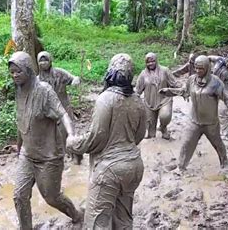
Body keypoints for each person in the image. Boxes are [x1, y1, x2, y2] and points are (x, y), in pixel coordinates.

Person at [67, 53, 146, 229]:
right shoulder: (138, 101)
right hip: (134, 166)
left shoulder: (106, 99)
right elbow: (139, 136)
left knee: (97, 222)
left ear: (109, 74)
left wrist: (72, 143)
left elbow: (96, 139)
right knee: (123, 218)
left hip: (110, 169)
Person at [8, 51, 82, 229]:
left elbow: (63, 114)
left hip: (49, 156)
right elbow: (22, 121)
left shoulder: (44, 90)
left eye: (18, 71)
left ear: (28, 70)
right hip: (28, 154)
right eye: (12, 72)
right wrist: (19, 148)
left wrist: (71, 136)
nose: (14, 75)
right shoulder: (19, 90)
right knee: (19, 195)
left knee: (51, 197)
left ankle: (76, 214)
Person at [159, 55, 228, 172]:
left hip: (211, 123)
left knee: (218, 143)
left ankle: (225, 163)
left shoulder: (215, 83)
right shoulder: (191, 80)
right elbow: (183, 91)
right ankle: (181, 168)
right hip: (195, 121)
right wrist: (169, 92)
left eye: (201, 68)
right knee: (187, 143)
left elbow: (227, 98)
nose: (197, 71)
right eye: (196, 68)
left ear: (207, 68)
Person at [37, 51, 83, 165]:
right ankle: (58, 161)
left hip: (64, 109)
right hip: (48, 113)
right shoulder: (37, 80)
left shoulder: (60, 73)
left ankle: (76, 159)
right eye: (41, 61)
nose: (43, 63)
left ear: (50, 60)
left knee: (69, 135)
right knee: (51, 138)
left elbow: (73, 79)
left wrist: (76, 80)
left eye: (45, 60)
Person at [136, 52, 181, 140]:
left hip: (164, 100)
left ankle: (163, 127)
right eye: (148, 62)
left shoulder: (165, 71)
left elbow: (174, 83)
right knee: (151, 132)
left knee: (165, 116)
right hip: (149, 103)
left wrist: (183, 89)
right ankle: (150, 132)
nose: (150, 64)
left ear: (156, 61)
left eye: (152, 61)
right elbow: (137, 90)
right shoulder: (143, 74)